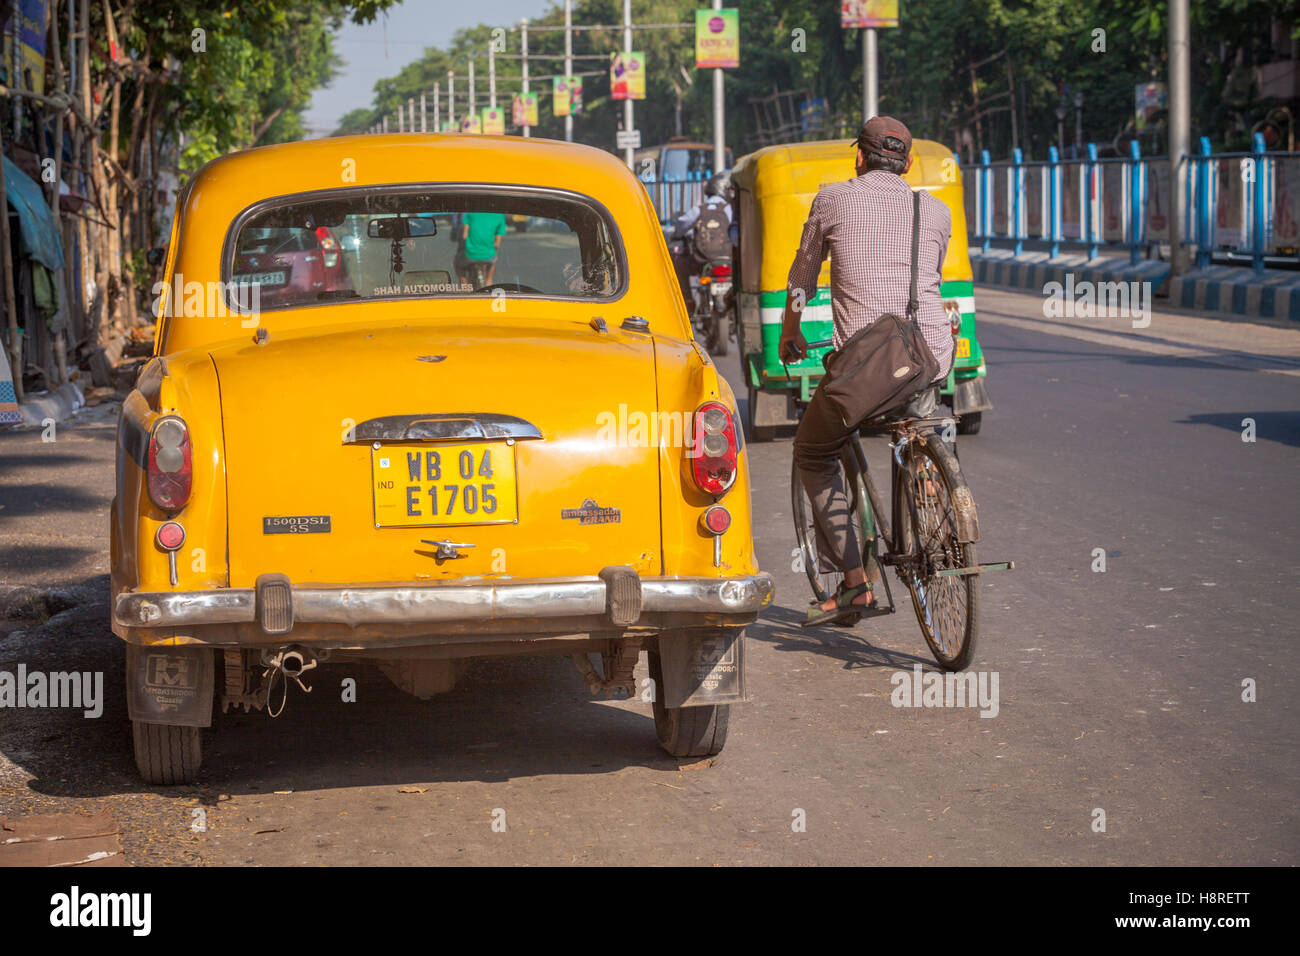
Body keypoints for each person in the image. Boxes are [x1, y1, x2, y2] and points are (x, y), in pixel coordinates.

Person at [778, 116, 954, 626]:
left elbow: (801, 280)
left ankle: (856, 585)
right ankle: (929, 479)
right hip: (929, 355)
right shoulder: (936, 210)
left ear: (859, 157)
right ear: (908, 163)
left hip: (867, 367)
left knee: (814, 450)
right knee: (917, 418)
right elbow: (930, 277)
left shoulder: (832, 199)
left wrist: (791, 330)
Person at [669, 171, 734, 306]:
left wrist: (676, 235)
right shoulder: (728, 209)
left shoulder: (699, 209)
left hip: (703, 260)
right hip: (728, 259)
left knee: (679, 265)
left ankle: (688, 302)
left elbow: (681, 225)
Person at [454, 210, 508, 287]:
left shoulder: (472, 212)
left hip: (470, 254)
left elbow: (464, 236)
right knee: (494, 261)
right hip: (488, 256)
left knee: (456, 262)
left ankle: (465, 285)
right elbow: (497, 244)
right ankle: (489, 282)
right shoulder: (499, 216)